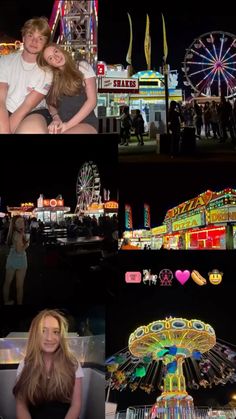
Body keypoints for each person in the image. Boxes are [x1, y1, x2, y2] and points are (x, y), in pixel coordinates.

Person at [13, 309, 83, 419]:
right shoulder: (24, 364)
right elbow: (21, 406)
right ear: (35, 334)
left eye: (56, 332)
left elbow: (76, 405)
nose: (49, 338)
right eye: (43, 331)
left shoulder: (73, 364)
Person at [0, 17, 53, 134]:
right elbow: (1, 99)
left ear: (45, 44)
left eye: (40, 38)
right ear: (23, 37)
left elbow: (27, 105)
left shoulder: (47, 71)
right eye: (30, 35)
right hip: (5, 108)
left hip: (33, 111)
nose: (34, 42)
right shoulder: (5, 61)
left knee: (33, 130)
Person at [37, 43, 98, 134]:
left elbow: (92, 101)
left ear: (61, 50)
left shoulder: (81, 66)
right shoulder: (52, 77)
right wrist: (56, 117)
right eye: (51, 58)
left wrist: (68, 125)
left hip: (85, 121)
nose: (56, 57)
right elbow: (51, 104)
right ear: (49, 64)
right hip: (62, 122)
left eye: (56, 51)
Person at [3, 216, 29, 305]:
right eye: (18, 222)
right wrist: (27, 245)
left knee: (8, 283)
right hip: (19, 259)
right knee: (18, 286)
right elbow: (19, 250)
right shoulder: (18, 234)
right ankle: (18, 304)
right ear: (14, 225)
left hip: (14, 259)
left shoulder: (18, 232)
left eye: (22, 221)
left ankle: (7, 302)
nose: (21, 223)